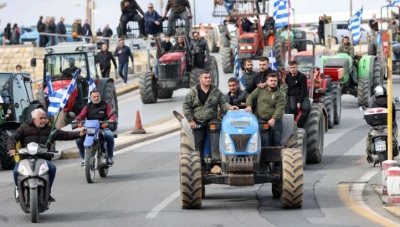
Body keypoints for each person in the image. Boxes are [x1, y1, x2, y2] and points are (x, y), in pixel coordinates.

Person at [8, 109, 86, 202]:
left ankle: (47, 192)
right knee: (16, 171)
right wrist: (11, 148)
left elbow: (65, 135)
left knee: (52, 168)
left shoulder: (49, 129)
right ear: (34, 119)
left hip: (43, 158)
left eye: (44, 118)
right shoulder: (24, 127)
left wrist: (79, 134)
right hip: (26, 158)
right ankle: (18, 188)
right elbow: (12, 138)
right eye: (40, 118)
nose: (43, 120)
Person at [183, 70, 238, 167]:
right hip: (198, 120)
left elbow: (223, 102)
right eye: (206, 78)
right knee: (199, 143)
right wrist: (191, 120)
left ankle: (216, 160)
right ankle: (201, 166)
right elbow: (186, 106)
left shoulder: (215, 90)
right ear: (200, 79)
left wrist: (229, 107)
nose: (208, 79)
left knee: (216, 130)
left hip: (212, 119)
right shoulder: (193, 91)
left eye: (209, 77)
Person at [74, 90, 116, 166]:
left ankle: (110, 157)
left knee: (110, 135)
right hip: (90, 129)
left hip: (102, 127)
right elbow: (81, 115)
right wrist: (76, 120)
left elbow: (111, 114)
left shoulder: (106, 105)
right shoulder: (87, 106)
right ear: (91, 98)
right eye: (94, 97)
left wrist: (111, 119)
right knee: (78, 139)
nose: (96, 98)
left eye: (97, 96)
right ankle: (84, 158)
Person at [245, 73, 286, 147]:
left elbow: (280, 108)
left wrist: (273, 119)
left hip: (275, 120)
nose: (273, 82)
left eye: (275, 81)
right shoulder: (260, 89)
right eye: (271, 80)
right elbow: (251, 96)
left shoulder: (280, 95)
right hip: (260, 118)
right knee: (262, 138)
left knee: (276, 139)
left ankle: (276, 155)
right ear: (267, 82)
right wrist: (249, 106)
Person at [366, 85, 396, 163]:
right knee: (392, 136)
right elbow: (393, 118)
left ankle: (368, 154)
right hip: (387, 127)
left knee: (369, 137)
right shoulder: (390, 104)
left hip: (375, 128)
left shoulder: (373, 104)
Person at [285, 61, 310, 128]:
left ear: (297, 67)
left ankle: (299, 125)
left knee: (307, 108)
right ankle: (292, 126)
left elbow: (303, 90)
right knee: (293, 109)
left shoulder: (302, 77)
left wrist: (299, 102)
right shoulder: (287, 76)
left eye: (294, 67)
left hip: (302, 95)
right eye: (291, 68)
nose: (292, 69)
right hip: (292, 95)